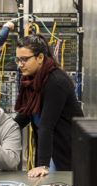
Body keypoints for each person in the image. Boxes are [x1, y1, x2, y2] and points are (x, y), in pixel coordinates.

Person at [14, 34, 84, 177]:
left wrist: (42, 164)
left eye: (24, 59)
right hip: (48, 146)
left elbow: (47, 124)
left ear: (40, 58)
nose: (20, 64)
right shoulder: (32, 79)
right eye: (18, 59)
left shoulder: (55, 82)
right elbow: (26, 114)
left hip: (64, 147)